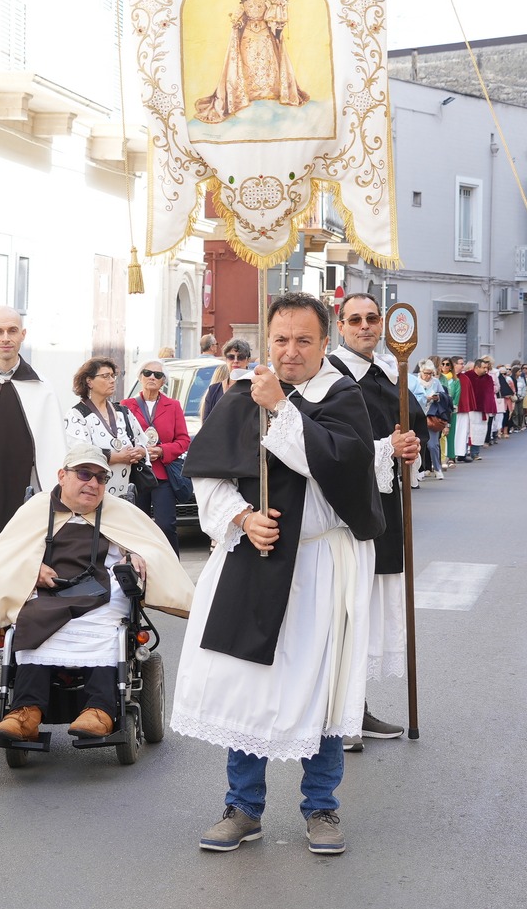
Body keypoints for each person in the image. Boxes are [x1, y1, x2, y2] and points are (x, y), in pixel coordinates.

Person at [175, 293, 383, 856]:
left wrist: (283, 410)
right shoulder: (243, 394)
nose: (291, 352)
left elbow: (339, 466)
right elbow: (208, 476)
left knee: (321, 686)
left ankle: (321, 807)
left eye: (304, 340)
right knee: (250, 684)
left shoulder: (341, 396)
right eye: (282, 340)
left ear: (324, 343)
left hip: (320, 563)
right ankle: (243, 807)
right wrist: (242, 518)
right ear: (268, 342)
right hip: (254, 558)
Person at [0, 443, 194, 741]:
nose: (93, 483)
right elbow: (4, 556)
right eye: (84, 474)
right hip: (49, 591)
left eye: (101, 478)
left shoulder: (119, 512)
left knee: (108, 623)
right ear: (62, 475)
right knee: (28, 620)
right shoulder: (36, 509)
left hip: (99, 591)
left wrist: (135, 556)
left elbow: (149, 548)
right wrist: (31, 568)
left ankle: (100, 710)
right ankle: (25, 712)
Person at [0, 306, 68, 715]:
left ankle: (35, 683)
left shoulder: (42, 389)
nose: (5, 337)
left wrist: (59, 506)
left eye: (12, 330)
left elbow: (54, 450)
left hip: (28, 507)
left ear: (23, 335)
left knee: (33, 593)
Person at [327, 293, 424, 744]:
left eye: (371, 319)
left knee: (365, 614)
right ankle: (339, 717)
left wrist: (410, 447)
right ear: (340, 326)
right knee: (346, 614)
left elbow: (414, 424)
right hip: (345, 514)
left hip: (383, 506)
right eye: (355, 320)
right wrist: (388, 447)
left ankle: (356, 710)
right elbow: (333, 446)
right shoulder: (331, 376)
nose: (364, 326)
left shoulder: (387, 372)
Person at [193, 0, 311, 124]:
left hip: (264, 33)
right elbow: (238, 18)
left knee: (268, 61)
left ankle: (269, 91)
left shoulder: (266, 1)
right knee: (248, 61)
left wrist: (277, 18)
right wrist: (238, 23)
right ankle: (247, 93)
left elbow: (273, 13)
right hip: (248, 34)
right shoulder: (244, 3)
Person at [123, 359, 191, 551]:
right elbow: (121, 437)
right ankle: (139, 563)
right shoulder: (126, 405)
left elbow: (183, 440)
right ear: (140, 377)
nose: (152, 377)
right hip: (136, 474)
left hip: (162, 475)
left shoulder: (173, 406)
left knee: (166, 525)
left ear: (163, 381)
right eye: (147, 373)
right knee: (138, 526)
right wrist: (138, 451)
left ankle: (171, 566)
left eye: (158, 375)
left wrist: (162, 451)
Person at [63, 357, 149, 506]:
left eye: (113, 376)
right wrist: (118, 457)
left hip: (124, 495)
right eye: (105, 376)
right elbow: (81, 453)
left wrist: (140, 452)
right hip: (92, 494)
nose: (112, 380)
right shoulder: (77, 414)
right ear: (89, 382)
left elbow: (143, 443)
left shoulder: (123, 412)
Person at [410, 360, 447, 481]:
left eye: (431, 373)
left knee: (433, 445)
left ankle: (437, 468)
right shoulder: (414, 381)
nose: (428, 376)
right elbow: (410, 397)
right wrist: (425, 398)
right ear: (421, 371)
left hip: (432, 416)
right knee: (418, 444)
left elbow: (444, 397)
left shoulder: (436, 382)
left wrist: (437, 397)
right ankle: (419, 470)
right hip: (418, 415)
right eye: (426, 373)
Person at [202, 339, 254, 422]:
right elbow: (206, 423)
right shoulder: (214, 390)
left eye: (240, 357)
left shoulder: (254, 388)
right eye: (231, 357)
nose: (235, 361)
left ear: (248, 360)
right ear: (226, 360)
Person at [458, 357, 497, 460]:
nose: (486, 370)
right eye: (484, 367)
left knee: (479, 430)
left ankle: (475, 452)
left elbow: (490, 394)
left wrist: (491, 407)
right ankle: (463, 452)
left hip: (482, 409)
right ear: (476, 367)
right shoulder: (467, 376)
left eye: (487, 368)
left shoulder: (488, 378)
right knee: (467, 430)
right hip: (470, 408)